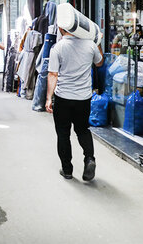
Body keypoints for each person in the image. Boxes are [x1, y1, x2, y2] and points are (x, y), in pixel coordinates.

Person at [45, 27, 104, 181]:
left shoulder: (57, 47)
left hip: (63, 98)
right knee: (82, 130)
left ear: (61, 29)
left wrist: (48, 98)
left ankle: (67, 170)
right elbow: (99, 63)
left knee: (63, 134)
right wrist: (97, 42)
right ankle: (89, 158)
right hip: (84, 98)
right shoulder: (90, 45)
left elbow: (52, 74)